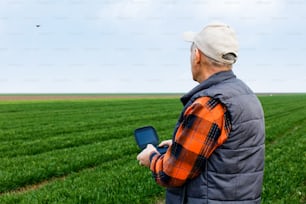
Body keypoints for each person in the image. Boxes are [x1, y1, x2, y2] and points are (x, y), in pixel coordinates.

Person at [137, 22, 265, 204]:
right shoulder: (244, 94)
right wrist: (180, 145)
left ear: (197, 56)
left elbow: (171, 174)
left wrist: (151, 158)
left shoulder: (209, 105)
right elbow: (230, 151)